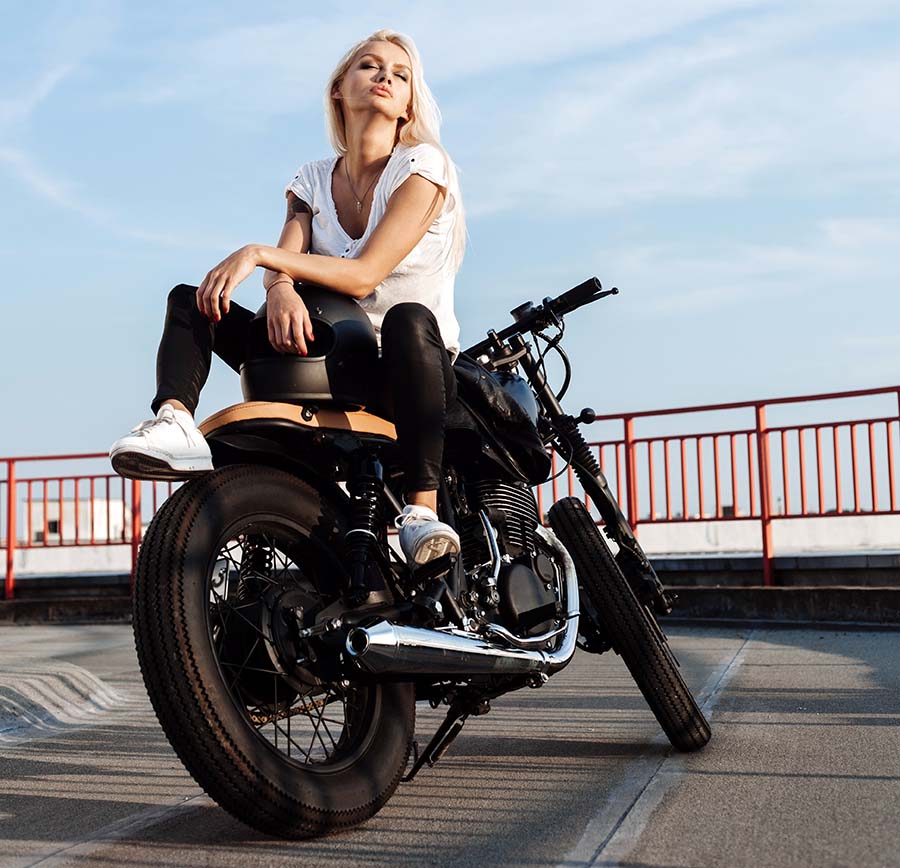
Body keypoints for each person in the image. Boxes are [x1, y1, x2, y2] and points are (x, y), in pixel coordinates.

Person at [109, 29, 467, 566]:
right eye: (369, 66)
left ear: (409, 101)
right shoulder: (312, 179)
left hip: (405, 370)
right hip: (335, 355)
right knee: (193, 297)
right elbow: (288, 254)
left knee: (407, 317)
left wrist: (261, 259)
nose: (386, 76)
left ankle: (420, 512)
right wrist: (278, 288)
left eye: (401, 73)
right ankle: (174, 419)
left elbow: (365, 274)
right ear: (338, 90)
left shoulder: (423, 167)